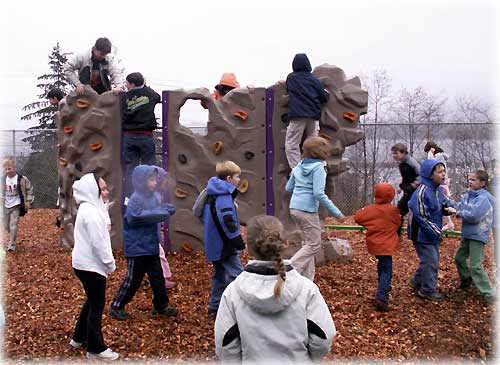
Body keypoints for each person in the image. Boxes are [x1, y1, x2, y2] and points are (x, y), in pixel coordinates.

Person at [215, 215, 336, 363]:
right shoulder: (307, 290)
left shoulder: (232, 293)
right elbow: (322, 339)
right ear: (285, 243)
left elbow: (225, 344)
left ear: (249, 249)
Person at [109, 165, 177, 320]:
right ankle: (117, 305)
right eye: (151, 180)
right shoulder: (135, 199)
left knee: (158, 278)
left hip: (151, 246)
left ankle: (161, 305)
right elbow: (135, 217)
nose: (155, 182)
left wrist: (166, 208)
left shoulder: (154, 197)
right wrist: (162, 212)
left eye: (155, 179)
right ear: (141, 181)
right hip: (137, 249)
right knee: (133, 280)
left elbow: (156, 209)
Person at [70, 173, 119, 360]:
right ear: (93, 190)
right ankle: (95, 348)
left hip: (83, 264)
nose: (106, 192)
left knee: (91, 301)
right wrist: (110, 264)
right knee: (97, 306)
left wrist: (105, 207)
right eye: (103, 189)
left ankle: (79, 337)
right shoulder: (91, 213)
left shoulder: (89, 207)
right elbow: (99, 242)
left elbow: (101, 219)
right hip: (91, 267)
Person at [286, 137, 346, 281]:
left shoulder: (299, 165)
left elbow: (288, 187)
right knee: (314, 245)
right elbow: (318, 193)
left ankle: (307, 280)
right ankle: (289, 269)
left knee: (307, 243)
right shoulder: (319, 168)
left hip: (294, 208)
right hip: (307, 210)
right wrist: (336, 212)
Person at [202, 161, 246, 315]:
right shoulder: (223, 195)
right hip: (224, 245)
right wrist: (237, 241)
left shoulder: (212, 192)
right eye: (237, 176)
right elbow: (227, 221)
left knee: (220, 275)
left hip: (214, 243)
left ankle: (215, 305)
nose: (239, 180)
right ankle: (243, 309)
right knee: (239, 275)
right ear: (229, 178)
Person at [407, 159, 451, 301]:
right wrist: (436, 231)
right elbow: (421, 216)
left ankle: (417, 281)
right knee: (431, 260)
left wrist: (449, 209)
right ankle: (427, 290)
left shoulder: (438, 190)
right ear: (429, 174)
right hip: (421, 233)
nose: (443, 174)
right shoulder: (422, 192)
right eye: (439, 172)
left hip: (432, 232)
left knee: (430, 259)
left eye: (444, 171)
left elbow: (442, 205)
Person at [354, 183, 401, 312]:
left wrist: (363, 211)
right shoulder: (393, 210)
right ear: (391, 195)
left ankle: (383, 285)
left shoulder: (371, 209)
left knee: (382, 265)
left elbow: (358, 217)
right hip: (387, 246)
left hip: (375, 245)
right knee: (387, 269)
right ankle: (381, 296)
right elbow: (398, 222)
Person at [450, 170, 496, 303]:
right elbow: (459, 205)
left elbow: (474, 216)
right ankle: (467, 279)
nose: (470, 182)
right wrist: (448, 203)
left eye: (474, 180)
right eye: (470, 179)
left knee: (475, 265)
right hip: (468, 234)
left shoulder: (484, 198)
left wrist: (458, 213)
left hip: (478, 235)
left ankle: (489, 292)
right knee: (459, 258)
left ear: (482, 183)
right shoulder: (469, 196)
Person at [285, 53, 330, 169]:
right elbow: (324, 97)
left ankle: (297, 170)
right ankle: (317, 168)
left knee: (292, 144)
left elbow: (287, 89)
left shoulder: (291, 78)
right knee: (314, 146)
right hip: (313, 116)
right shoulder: (313, 79)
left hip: (297, 116)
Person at [121, 72, 161, 199]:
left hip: (129, 135)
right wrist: (146, 87)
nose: (126, 85)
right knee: (149, 165)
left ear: (132, 84)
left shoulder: (125, 96)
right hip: (146, 134)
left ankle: (130, 195)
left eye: (127, 83)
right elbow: (158, 96)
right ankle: (149, 193)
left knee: (130, 167)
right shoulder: (149, 94)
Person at [1, 157, 34, 252]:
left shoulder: (21, 179)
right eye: (6, 169)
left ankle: (11, 243)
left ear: (14, 168)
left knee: (13, 224)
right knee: (5, 225)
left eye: (9, 168)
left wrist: (28, 201)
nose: (8, 171)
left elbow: (29, 189)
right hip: (5, 205)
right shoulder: (3, 179)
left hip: (16, 204)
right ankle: (12, 234)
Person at [424, 141, 454, 231]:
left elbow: (431, 164)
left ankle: (449, 223)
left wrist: (430, 153)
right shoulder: (441, 155)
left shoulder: (437, 156)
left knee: (441, 202)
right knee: (442, 201)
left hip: (441, 182)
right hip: (443, 182)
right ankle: (449, 223)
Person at [391, 143, 420, 232]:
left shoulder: (411, 162)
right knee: (399, 211)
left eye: (396, 153)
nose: (394, 155)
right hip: (407, 190)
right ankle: (396, 233)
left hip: (415, 191)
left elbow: (421, 175)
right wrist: (401, 186)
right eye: (393, 153)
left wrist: (413, 185)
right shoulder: (402, 163)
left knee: (415, 212)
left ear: (403, 153)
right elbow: (405, 176)